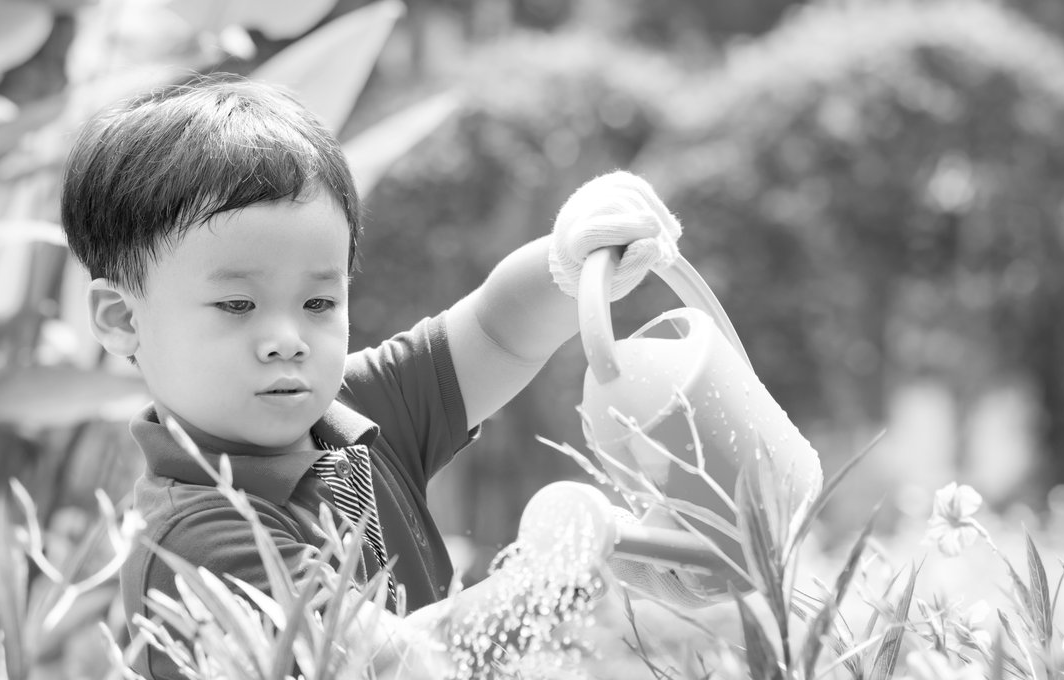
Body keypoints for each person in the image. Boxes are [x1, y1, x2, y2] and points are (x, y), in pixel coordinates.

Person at [60, 74, 713, 679]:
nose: (286, 340)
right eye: (237, 305)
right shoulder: (196, 535)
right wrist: (566, 574)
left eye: (318, 303)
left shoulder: (356, 411)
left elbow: (495, 330)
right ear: (122, 318)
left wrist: (573, 259)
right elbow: (393, 663)